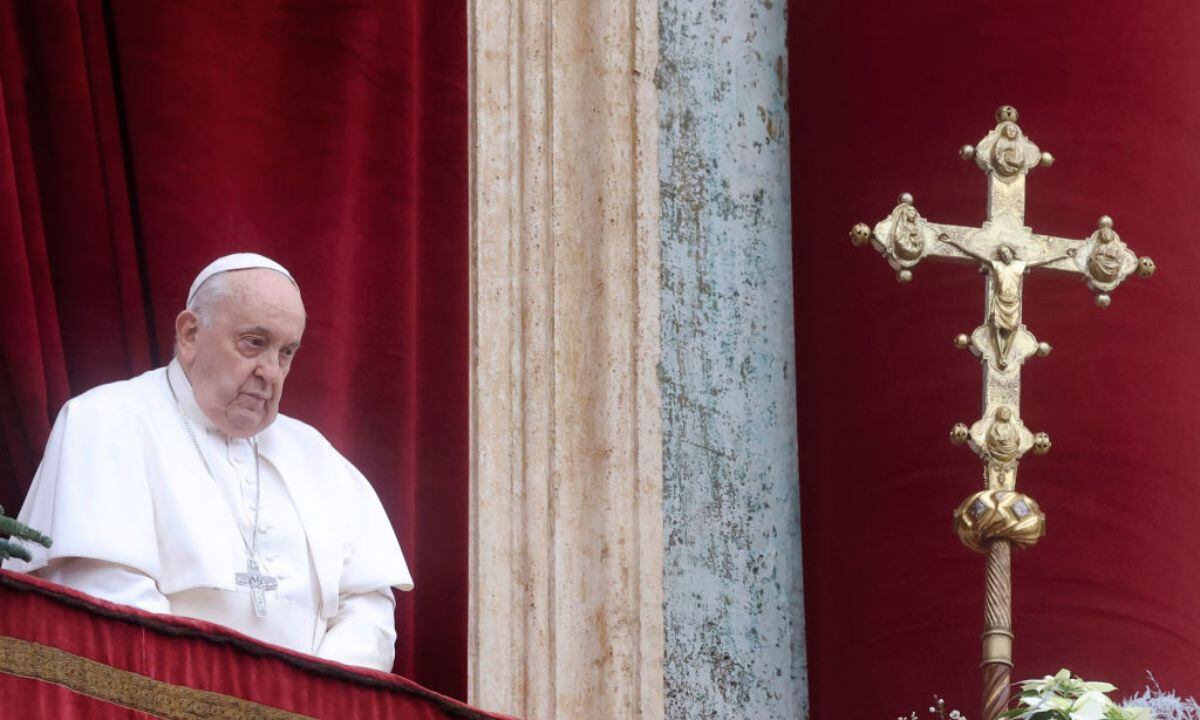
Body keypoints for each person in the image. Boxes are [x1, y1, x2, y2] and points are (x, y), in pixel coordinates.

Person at [2, 253, 413, 672]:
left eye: (286, 352)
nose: (270, 371)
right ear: (191, 333)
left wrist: (312, 696)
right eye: (254, 342)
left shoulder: (317, 456)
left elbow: (369, 612)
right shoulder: (105, 421)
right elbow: (107, 602)